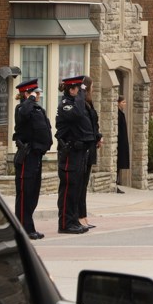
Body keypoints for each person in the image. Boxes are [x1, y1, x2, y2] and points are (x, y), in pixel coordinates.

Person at [12, 79, 52, 240]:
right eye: (35, 93)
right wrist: (28, 99)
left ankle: (29, 226)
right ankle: (23, 229)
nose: (38, 95)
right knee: (25, 193)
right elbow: (23, 114)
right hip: (26, 156)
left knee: (33, 193)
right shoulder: (22, 108)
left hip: (36, 155)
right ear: (27, 93)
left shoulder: (36, 109)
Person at [55, 75, 95, 234]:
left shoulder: (76, 104)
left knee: (76, 190)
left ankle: (72, 221)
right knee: (68, 190)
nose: (82, 94)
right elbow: (78, 114)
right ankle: (65, 223)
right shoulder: (66, 105)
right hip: (69, 153)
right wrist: (80, 95)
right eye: (79, 90)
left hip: (79, 153)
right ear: (72, 90)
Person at [77, 76, 102, 229]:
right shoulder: (81, 105)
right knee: (80, 185)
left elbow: (93, 125)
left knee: (84, 184)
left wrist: (98, 136)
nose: (93, 89)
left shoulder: (89, 104)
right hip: (83, 150)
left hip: (91, 147)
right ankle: (79, 217)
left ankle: (83, 216)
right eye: (91, 87)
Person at [116, 95, 129, 193]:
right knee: (117, 163)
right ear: (118, 103)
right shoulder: (117, 114)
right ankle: (116, 182)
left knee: (119, 163)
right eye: (123, 102)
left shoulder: (121, 114)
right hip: (119, 142)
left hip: (122, 142)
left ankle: (117, 181)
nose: (125, 104)